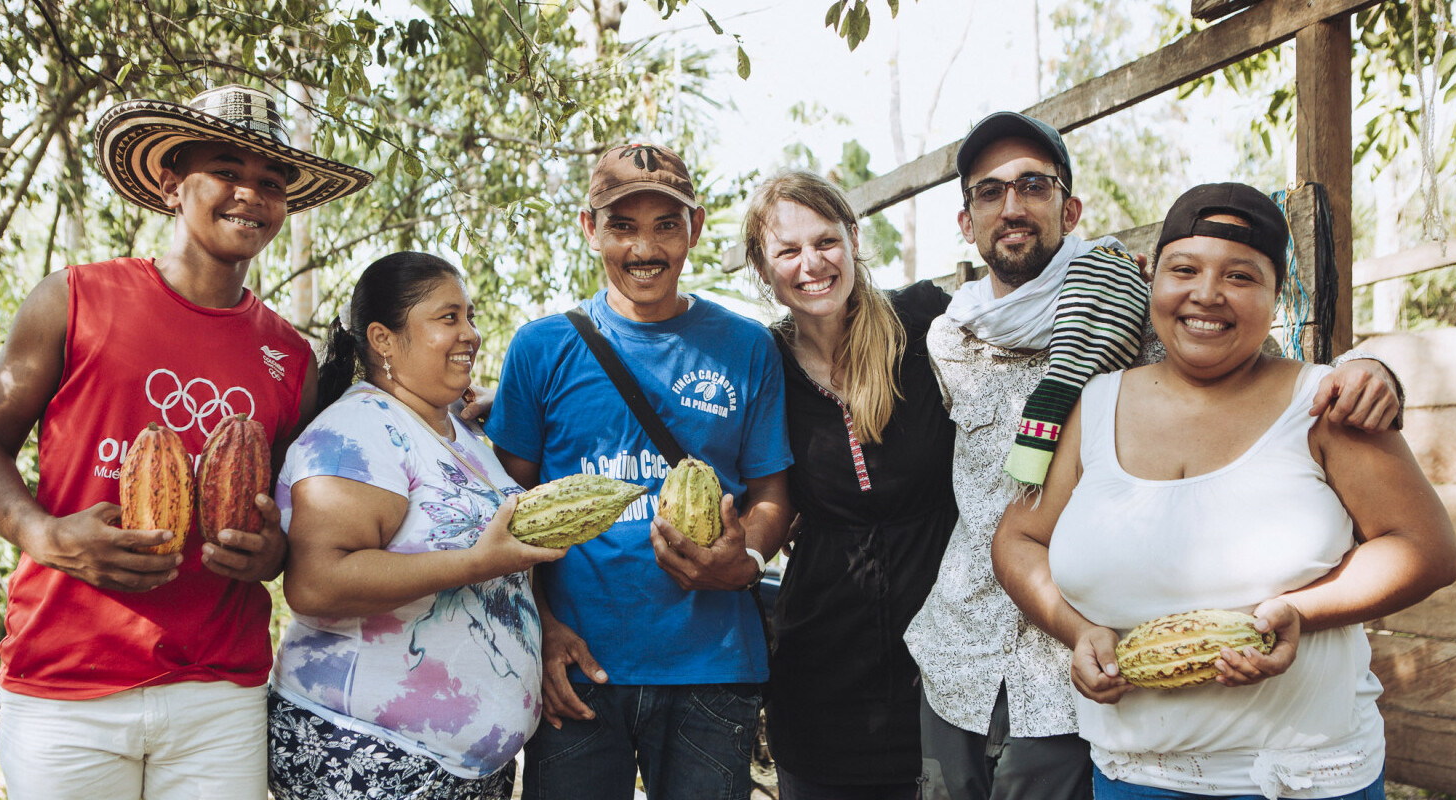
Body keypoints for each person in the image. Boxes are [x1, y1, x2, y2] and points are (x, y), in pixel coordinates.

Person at [900, 111, 1407, 800]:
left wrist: (1375, 367)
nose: (1011, 205)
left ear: (1069, 208)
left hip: (1082, 681)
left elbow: (1250, 370)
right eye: (989, 191)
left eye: (1033, 185)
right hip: (962, 652)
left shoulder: (1138, 310)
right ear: (966, 222)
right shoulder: (946, 339)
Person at [0, 85, 372, 799]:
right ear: (171, 184)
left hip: (218, 690)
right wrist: (47, 535)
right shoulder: (74, 298)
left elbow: (289, 521)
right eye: (227, 171)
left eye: (271, 184)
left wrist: (271, 551)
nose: (251, 195)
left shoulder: (288, 355)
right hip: (66, 684)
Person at [991, 182, 1456, 800]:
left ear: (1275, 295)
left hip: (1304, 777)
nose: (1206, 294)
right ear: (1153, 278)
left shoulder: (1323, 404)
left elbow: (1426, 550)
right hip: (1133, 776)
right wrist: (1076, 631)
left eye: (1240, 276)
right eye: (1184, 269)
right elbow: (1018, 538)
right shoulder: (1096, 403)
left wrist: (1301, 611)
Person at [486, 142, 793, 800]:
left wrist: (747, 560)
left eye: (665, 225)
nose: (644, 249)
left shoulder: (748, 347)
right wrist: (540, 629)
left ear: (696, 229)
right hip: (577, 665)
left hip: (712, 668)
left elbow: (771, 491)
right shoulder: (542, 348)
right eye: (622, 226)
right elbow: (504, 512)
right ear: (590, 228)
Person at [267, 252, 564, 799]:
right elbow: (316, 584)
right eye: (448, 318)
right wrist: (478, 563)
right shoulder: (358, 431)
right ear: (383, 339)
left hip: (458, 769)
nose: (470, 334)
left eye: (469, 317)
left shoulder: (458, 431)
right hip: (369, 756)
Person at [742, 169, 956, 800]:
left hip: (943, 662)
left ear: (853, 238)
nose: (811, 264)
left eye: (825, 241)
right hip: (823, 667)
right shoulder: (763, 363)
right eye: (788, 251)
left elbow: (1022, 324)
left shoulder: (925, 324)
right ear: (764, 270)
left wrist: (1105, 272)